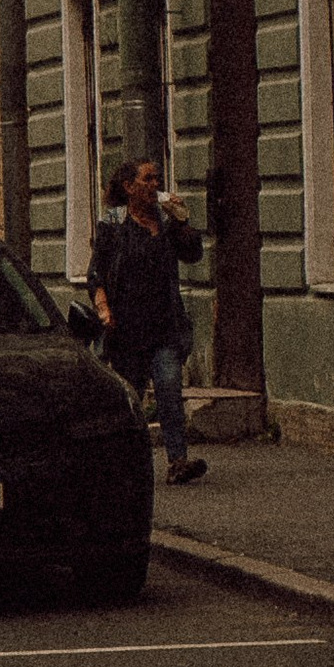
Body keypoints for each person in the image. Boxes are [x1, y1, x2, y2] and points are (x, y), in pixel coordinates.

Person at [91, 156, 208, 488]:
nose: (156, 185)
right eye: (148, 179)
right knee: (131, 400)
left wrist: (183, 221)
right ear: (129, 187)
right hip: (127, 330)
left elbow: (193, 255)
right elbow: (96, 272)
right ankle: (125, 464)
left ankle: (177, 461)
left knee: (170, 389)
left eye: (158, 179)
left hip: (164, 327)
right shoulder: (113, 224)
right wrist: (104, 309)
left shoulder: (166, 223)